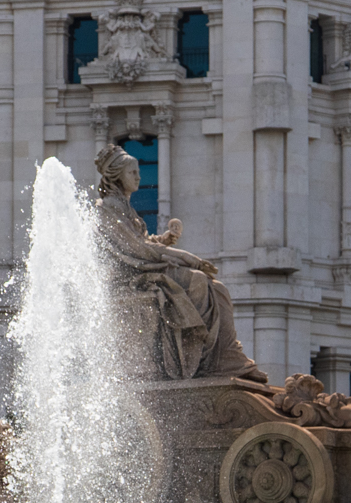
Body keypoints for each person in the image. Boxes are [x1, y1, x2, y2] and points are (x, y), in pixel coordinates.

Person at [94, 143, 265, 382]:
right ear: (116, 174)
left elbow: (141, 242)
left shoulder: (126, 208)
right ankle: (196, 360)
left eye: (138, 171)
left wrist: (164, 240)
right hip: (133, 277)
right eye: (132, 172)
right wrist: (187, 258)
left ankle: (224, 356)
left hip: (146, 269)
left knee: (218, 289)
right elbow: (136, 249)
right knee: (198, 281)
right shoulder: (107, 209)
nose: (138, 176)